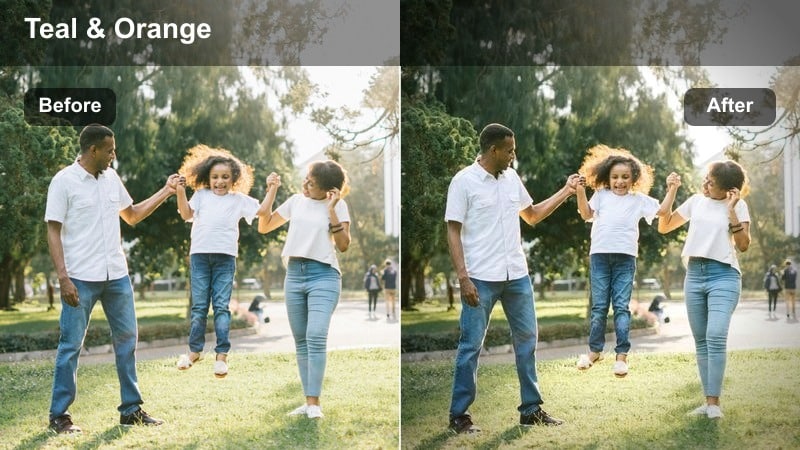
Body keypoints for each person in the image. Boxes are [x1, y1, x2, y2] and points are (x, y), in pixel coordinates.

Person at [445, 123, 580, 433]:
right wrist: (463, 278)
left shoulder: (511, 178)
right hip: (480, 277)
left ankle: (531, 410)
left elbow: (531, 215)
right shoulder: (463, 181)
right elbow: (452, 230)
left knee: (527, 342)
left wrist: (566, 191)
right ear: (493, 150)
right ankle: (459, 416)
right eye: (509, 150)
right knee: (470, 346)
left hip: (517, 275)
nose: (513, 155)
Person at [44, 124, 172, 433]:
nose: (114, 155)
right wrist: (63, 278)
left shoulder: (111, 178)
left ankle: (131, 410)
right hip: (80, 277)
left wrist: (166, 191)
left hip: (116, 275)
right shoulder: (64, 181)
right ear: (93, 150)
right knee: (71, 345)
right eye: (110, 150)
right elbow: (53, 229)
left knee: (127, 341)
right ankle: (59, 415)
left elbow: (132, 215)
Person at [573, 145, 680, 377]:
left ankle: (621, 357)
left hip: (625, 259)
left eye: (625, 177)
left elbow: (662, 211)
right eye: (615, 177)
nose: (619, 181)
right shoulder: (601, 195)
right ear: (607, 178)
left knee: (621, 307)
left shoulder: (638, 200)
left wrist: (672, 189)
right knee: (600, 307)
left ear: (633, 179)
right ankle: (594, 352)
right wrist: (580, 191)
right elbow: (585, 214)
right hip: (600, 256)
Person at [173, 145, 278, 378]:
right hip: (200, 256)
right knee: (199, 307)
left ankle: (221, 357)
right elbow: (186, 214)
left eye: (225, 177)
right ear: (207, 178)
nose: (220, 182)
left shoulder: (238, 200)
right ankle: (194, 352)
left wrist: (272, 188)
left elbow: (262, 211)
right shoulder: (201, 195)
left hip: (225, 259)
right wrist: (180, 191)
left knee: (221, 306)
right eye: (215, 177)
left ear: (234, 179)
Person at [258, 160, 351, 420]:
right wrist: (272, 190)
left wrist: (331, 210)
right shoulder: (296, 201)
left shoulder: (339, 205)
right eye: (306, 180)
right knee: (301, 342)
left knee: (316, 335)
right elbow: (263, 226)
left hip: (324, 275)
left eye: (312, 183)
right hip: (295, 275)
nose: (305, 185)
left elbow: (343, 245)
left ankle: (314, 404)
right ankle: (309, 402)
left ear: (329, 190)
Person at [658, 160, 751, 419]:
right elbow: (663, 226)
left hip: (724, 275)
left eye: (712, 182)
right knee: (701, 341)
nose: (705, 184)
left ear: (729, 190)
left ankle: (714, 405)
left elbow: (743, 245)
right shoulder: (696, 201)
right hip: (695, 275)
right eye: (707, 179)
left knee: (716, 335)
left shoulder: (739, 205)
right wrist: (672, 190)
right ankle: (709, 403)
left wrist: (731, 210)